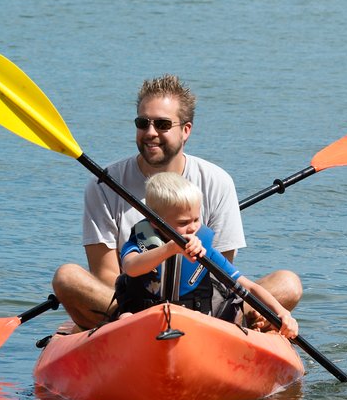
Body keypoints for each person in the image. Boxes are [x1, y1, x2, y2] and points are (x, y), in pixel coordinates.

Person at [51, 74, 301, 329]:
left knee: (288, 283)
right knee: (67, 277)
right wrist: (139, 309)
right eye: (142, 123)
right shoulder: (104, 183)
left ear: (186, 130)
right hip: (131, 306)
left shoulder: (217, 181)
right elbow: (107, 276)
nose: (150, 133)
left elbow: (221, 277)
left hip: (202, 308)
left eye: (162, 124)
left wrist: (277, 311)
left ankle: (245, 323)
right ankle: (120, 330)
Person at [114, 172, 298, 338]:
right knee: (125, 316)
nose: (193, 227)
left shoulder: (204, 250)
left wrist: (282, 312)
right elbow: (130, 267)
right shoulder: (141, 242)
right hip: (143, 319)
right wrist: (170, 248)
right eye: (184, 222)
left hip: (194, 322)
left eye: (196, 219)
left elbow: (248, 286)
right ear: (155, 222)